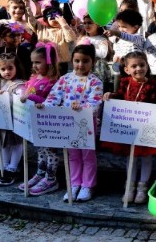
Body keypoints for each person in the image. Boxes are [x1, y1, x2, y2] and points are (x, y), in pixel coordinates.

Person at [102, 51, 156, 204]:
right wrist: (111, 96)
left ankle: (142, 187)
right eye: (134, 66)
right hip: (129, 128)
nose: (138, 69)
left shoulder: (154, 85)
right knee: (130, 157)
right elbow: (119, 96)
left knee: (146, 157)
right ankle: (130, 186)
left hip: (146, 127)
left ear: (147, 66)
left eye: (142, 65)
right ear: (127, 69)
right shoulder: (125, 82)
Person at [44, 44, 104, 203]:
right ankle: (74, 183)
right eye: (77, 61)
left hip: (86, 124)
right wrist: (44, 107)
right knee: (72, 155)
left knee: (87, 155)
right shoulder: (65, 79)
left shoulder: (95, 82)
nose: (80, 65)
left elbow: (95, 102)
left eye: (85, 61)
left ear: (93, 62)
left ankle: (88, 185)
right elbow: (54, 97)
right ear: (72, 61)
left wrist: (82, 108)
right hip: (68, 122)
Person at [19, 42, 61, 195]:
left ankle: (51, 178)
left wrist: (31, 96)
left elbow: (50, 103)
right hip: (35, 121)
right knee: (40, 149)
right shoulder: (35, 78)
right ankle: (41, 173)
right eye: (33, 62)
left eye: (38, 62)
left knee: (50, 151)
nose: (34, 65)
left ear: (48, 62)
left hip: (48, 123)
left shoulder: (53, 82)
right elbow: (26, 90)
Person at [0, 53, 26, 186]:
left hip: (15, 120)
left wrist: (8, 96)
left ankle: (13, 168)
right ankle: (3, 165)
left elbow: (21, 99)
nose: (7, 72)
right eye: (3, 69)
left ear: (16, 68)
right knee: (3, 143)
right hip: (1, 120)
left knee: (16, 143)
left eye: (10, 68)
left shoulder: (19, 84)